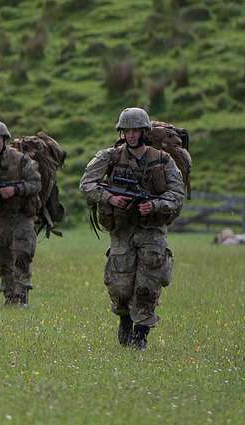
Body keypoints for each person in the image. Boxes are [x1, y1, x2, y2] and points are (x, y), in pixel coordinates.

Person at [79, 107, 185, 350]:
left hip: (152, 230)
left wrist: (155, 204)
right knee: (120, 285)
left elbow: (177, 194)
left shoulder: (162, 159)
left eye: (136, 130)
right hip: (122, 229)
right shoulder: (110, 157)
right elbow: (86, 184)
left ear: (144, 131)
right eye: (127, 130)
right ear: (122, 132)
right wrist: (109, 198)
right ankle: (125, 320)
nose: (131, 135)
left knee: (148, 284)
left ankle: (141, 335)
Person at [0, 121, 42, 305]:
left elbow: (36, 183)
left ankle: (21, 295)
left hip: (21, 215)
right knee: (0, 258)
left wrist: (16, 190)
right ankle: (9, 294)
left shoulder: (21, 160)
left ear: (4, 139)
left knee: (22, 254)